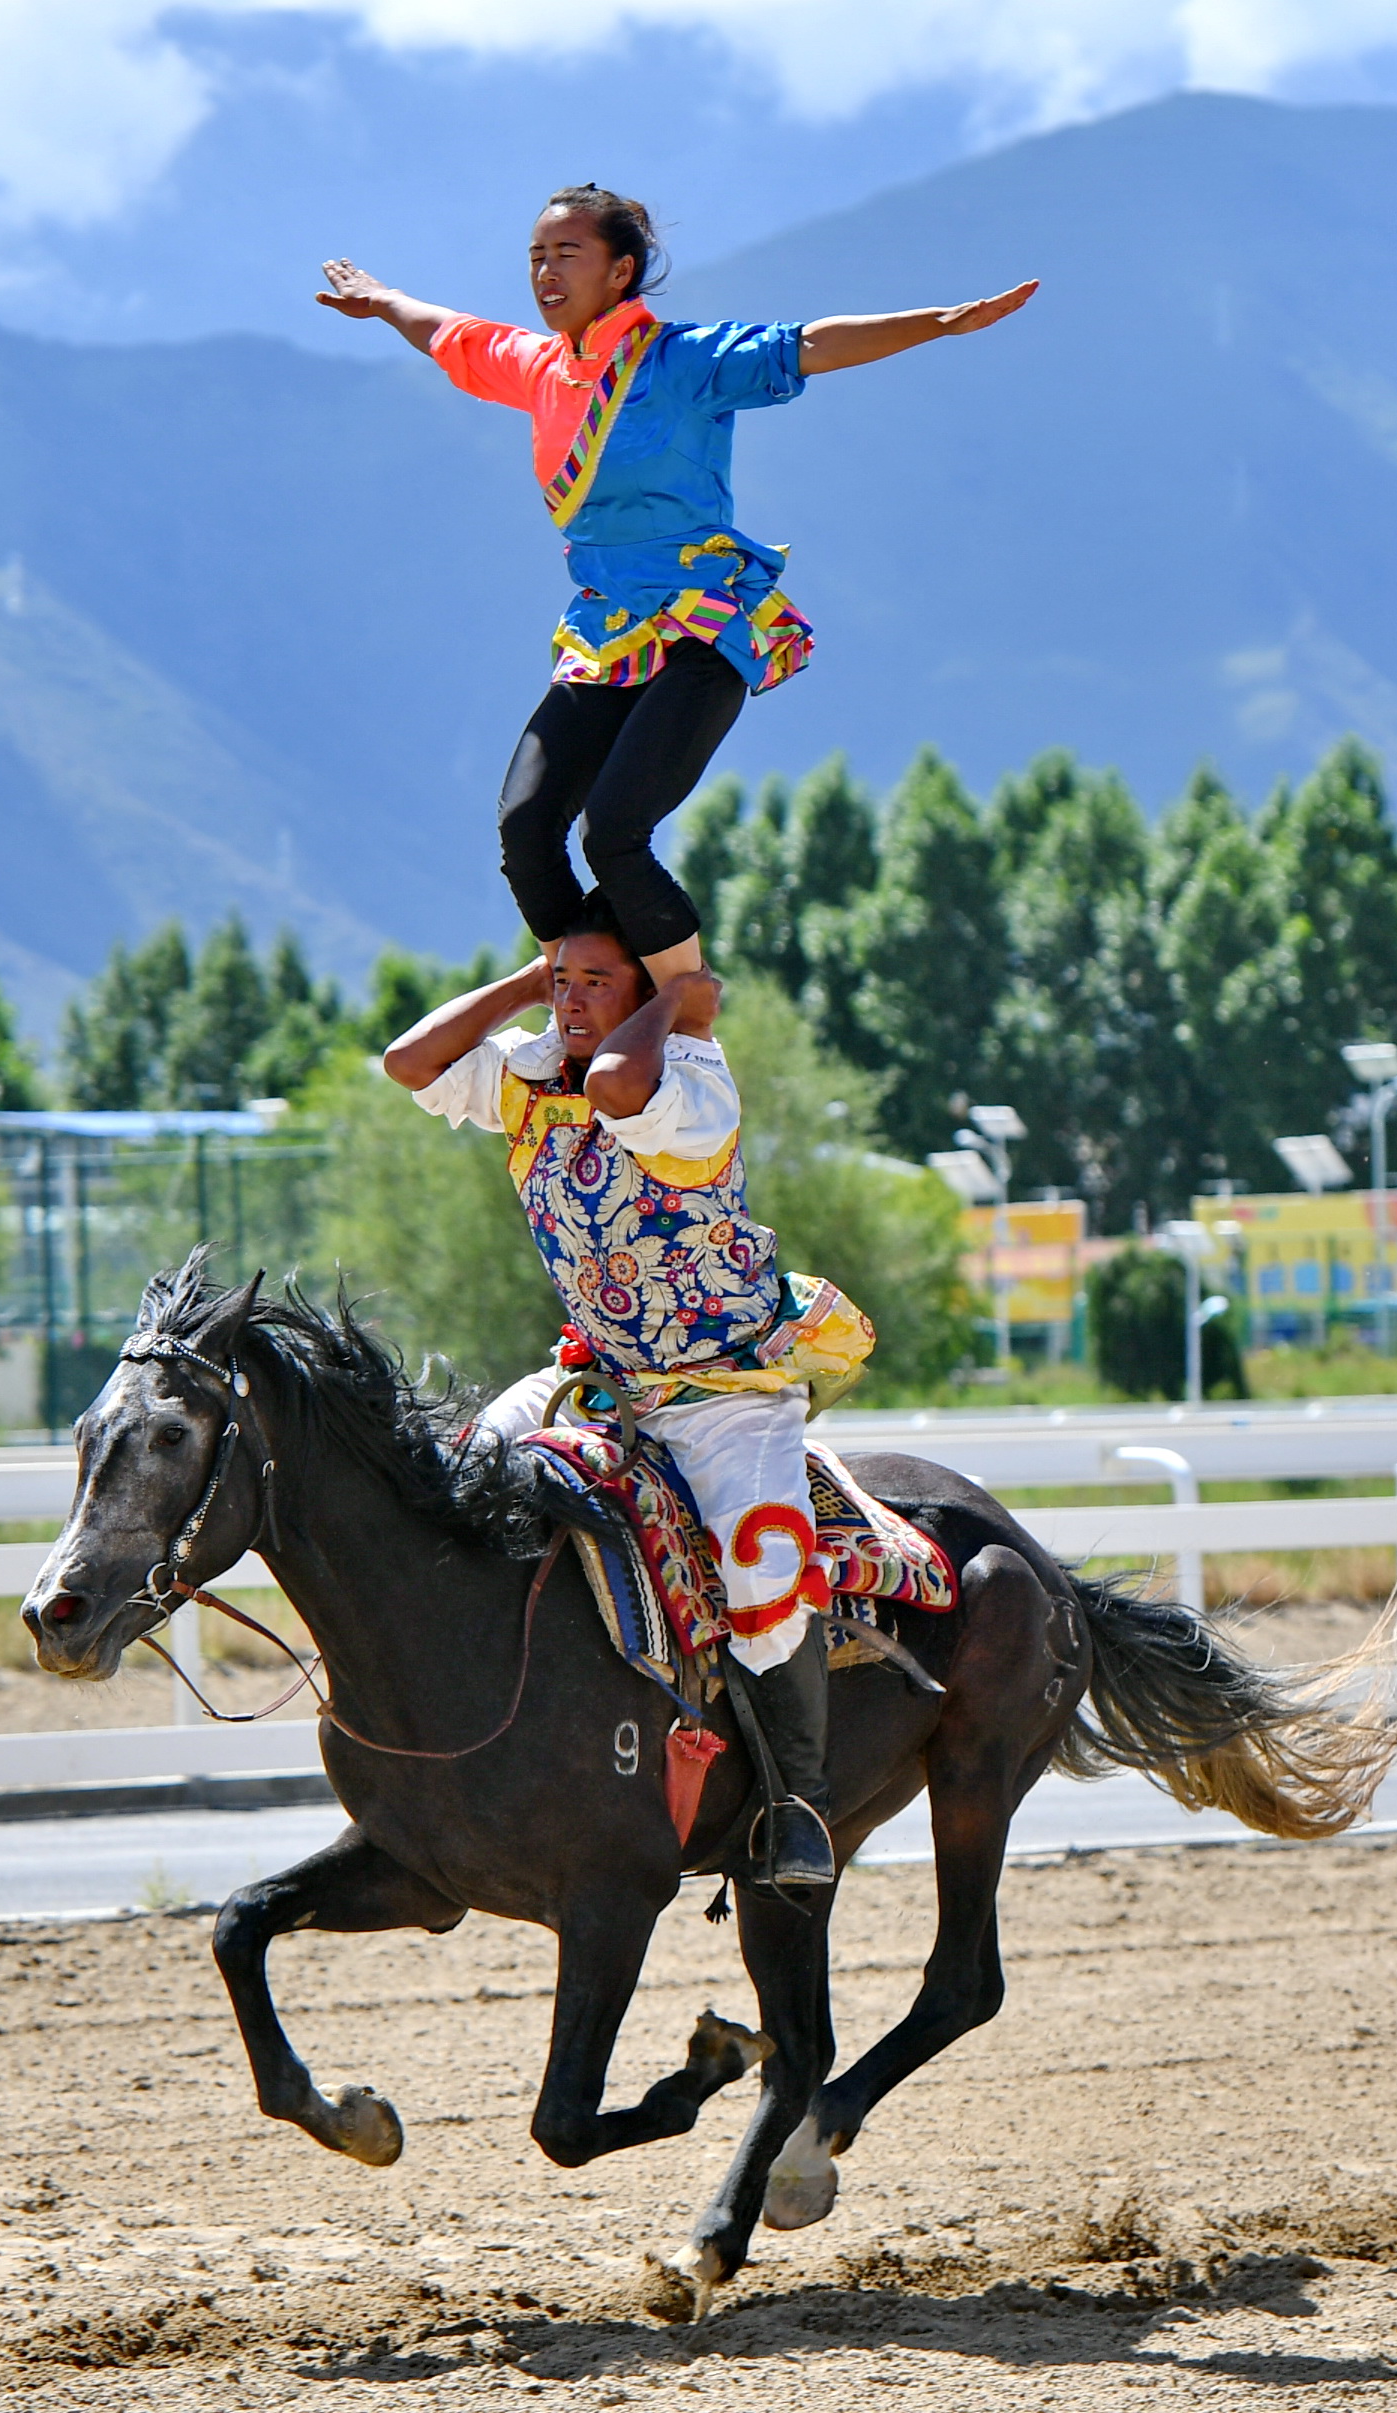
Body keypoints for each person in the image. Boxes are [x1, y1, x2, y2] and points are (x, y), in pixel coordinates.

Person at [318, 186, 1037, 989]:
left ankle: (686, 1010)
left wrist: (937, 323)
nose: (545, 273)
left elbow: (808, 344)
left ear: (620, 270)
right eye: (535, 257)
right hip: (603, 634)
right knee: (525, 830)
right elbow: (448, 333)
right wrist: (383, 302)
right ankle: (580, 995)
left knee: (614, 829)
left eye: (567, 255)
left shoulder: (683, 360)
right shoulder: (537, 368)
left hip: (700, 626)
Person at [379, 894, 875, 1898]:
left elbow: (616, 1084)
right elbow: (408, 1063)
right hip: (594, 1377)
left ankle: (799, 1803)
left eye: (596, 979)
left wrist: (676, 1005)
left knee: (763, 1573)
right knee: (450, 1477)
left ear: (647, 995)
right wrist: (535, 982)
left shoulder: (692, 1079)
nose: (571, 998)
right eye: (564, 978)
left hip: (722, 1390)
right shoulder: (529, 1076)